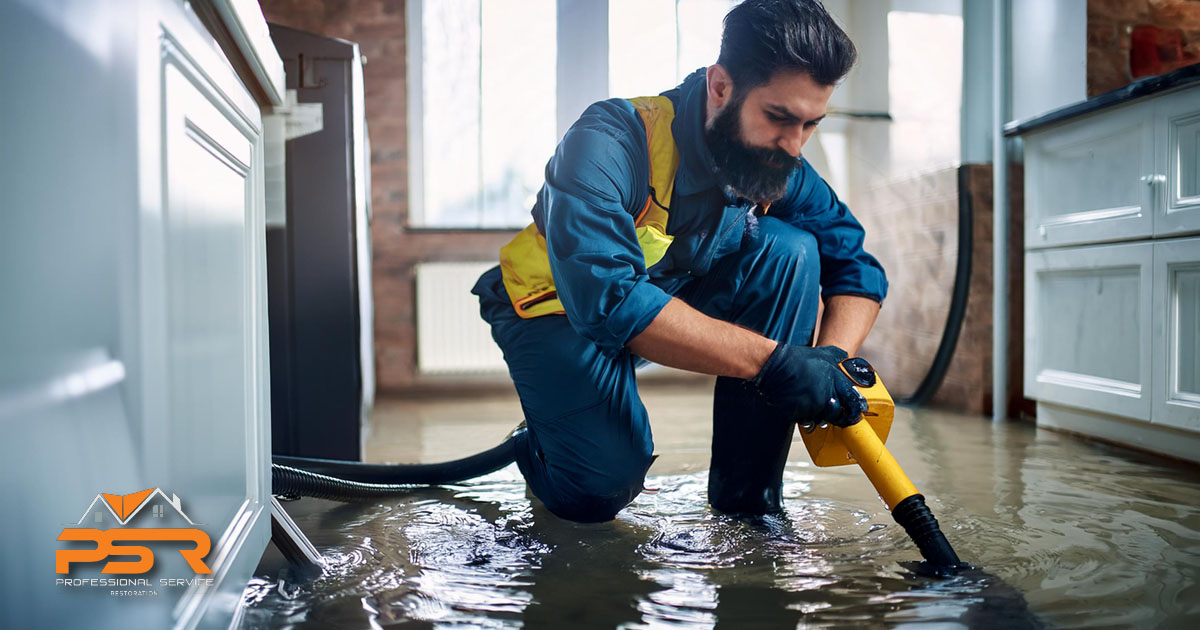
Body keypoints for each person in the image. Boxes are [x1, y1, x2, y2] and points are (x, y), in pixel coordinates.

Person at [471, 0, 887, 523]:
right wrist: (778, 363)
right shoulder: (610, 141)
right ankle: (547, 445)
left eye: (810, 124)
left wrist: (828, 363)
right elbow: (611, 301)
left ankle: (748, 501)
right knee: (599, 489)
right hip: (554, 311)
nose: (794, 145)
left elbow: (856, 266)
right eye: (779, 118)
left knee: (791, 249)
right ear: (720, 87)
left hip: (663, 297)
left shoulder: (777, 161)